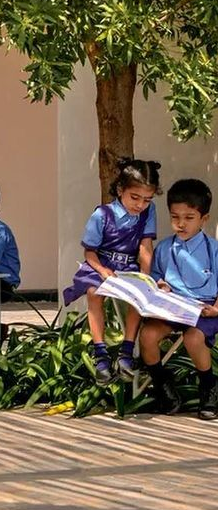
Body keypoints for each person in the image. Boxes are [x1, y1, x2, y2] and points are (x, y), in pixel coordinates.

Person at [62, 157, 160, 386]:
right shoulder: (102, 214)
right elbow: (90, 253)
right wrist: (103, 270)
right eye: (135, 198)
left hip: (128, 267)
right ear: (120, 190)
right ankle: (101, 354)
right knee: (94, 293)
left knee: (138, 296)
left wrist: (146, 278)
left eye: (147, 200)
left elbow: (145, 247)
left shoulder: (148, 212)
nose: (140, 205)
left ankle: (126, 352)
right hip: (101, 264)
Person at [139, 179, 218, 420]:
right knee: (148, 336)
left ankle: (209, 387)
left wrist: (215, 309)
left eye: (189, 218)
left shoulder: (213, 249)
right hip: (173, 309)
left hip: (204, 310)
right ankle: (164, 387)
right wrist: (161, 286)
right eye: (175, 217)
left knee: (194, 338)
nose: (180, 224)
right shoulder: (164, 248)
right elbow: (155, 279)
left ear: (204, 218)